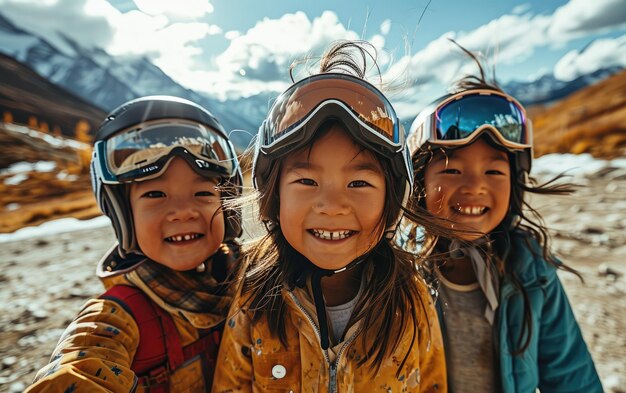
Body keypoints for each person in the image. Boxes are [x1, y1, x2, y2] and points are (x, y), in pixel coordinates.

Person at [212, 41, 447, 392]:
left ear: (392, 198)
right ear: (273, 197)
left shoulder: (410, 297)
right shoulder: (254, 296)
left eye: (359, 182)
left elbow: (432, 385)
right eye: (306, 181)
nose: (332, 205)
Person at [404, 50, 603, 392]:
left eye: (494, 170)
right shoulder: (397, 272)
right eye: (452, 169)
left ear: (516, 182)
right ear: (419, 183)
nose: (475, 186)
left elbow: (573, 377)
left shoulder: (532, 271)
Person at [27, 95, 243, 392]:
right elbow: (80, 368)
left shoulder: (252, 278)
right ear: (124, 215)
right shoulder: (114, 317)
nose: (183, 211)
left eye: (203, 193)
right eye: (155, 195)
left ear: (228, 205)